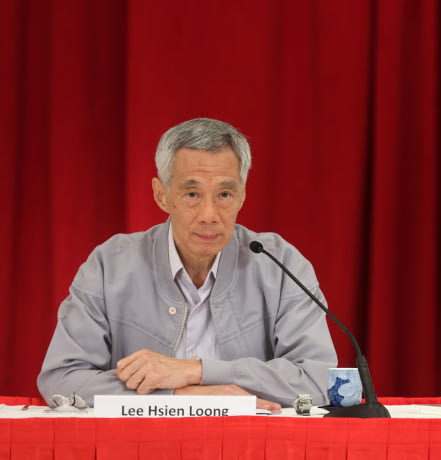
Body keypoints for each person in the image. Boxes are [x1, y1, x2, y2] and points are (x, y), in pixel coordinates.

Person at [37, 118, 338, 411]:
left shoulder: (280, 264)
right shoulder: (108, 266)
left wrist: (196, 371)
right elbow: (62, 380)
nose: (209, 214)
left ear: (242, 196)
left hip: (249, 451)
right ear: (162, 195)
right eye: (192, 194)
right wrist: (181, 394)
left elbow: (318, 378)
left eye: (224, 194)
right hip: (140, 452)